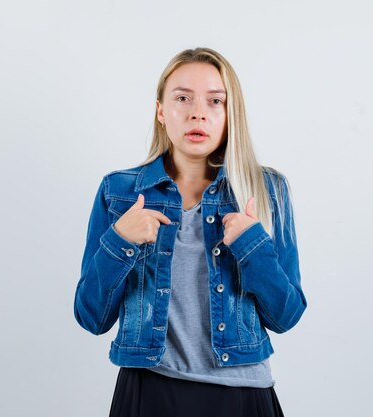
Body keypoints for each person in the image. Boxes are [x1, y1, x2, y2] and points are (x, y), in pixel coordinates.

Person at [73, 47, 307, 417]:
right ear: (162, 111)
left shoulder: (267, 190)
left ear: (231, 114)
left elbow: (286, 315)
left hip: (242, 395)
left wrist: (251, 247)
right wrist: (120, 241)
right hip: (148, 389)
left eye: (215, 101)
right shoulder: (119, 193)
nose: (198, 112)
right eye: (183, 97)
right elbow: (92, 317)